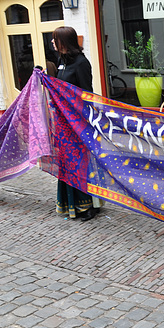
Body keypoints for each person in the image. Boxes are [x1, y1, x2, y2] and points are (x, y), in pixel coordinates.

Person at [52, 26, 99, 222]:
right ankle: (70, 203)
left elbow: (86, 94)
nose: (52, 43)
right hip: (63, 123)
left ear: (64, 42)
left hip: (77, 122)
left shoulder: (81, 63)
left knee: (79, 162)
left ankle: (88, 205)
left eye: (55, 40)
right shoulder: (62, 61)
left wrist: (84, 121)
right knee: (66, 162)